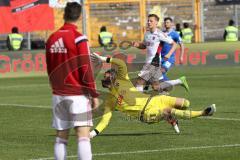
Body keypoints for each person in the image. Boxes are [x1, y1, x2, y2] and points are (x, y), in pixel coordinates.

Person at [89, 54, 216, 138]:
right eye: (104, 79)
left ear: (113, 77)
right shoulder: (110, 100)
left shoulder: (123, 80)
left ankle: (171, 119)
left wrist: (103, 58)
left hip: (155, 100)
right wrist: (92, 133)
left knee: (185, 103)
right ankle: (204, 112)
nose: (104, 80)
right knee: (169, 111)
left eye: (106, 77)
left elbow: (120, 63)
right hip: (146, 113)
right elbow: (105, 121)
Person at [45, 2, 99, 160]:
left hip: (58, 94)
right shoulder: (79, 38)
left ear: (64, 15)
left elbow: (49, 67)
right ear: (80, 16)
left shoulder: (52, 38)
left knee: (61, 137)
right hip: (77, 95)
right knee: (83, 135)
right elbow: (86, 68)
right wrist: (94, 94)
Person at [132, 14, 177, 92]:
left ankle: (139, 102)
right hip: (148, 62)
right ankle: (177, 83)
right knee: (155, 87)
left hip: (154, 63)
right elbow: (144, 46)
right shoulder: (147, 34)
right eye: (148, 21)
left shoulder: (160, 34)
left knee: (139, 82)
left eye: (151, 21)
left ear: (156, 22)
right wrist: (137, 45)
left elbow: (174, 44)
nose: (149, 22)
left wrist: (169, 54)